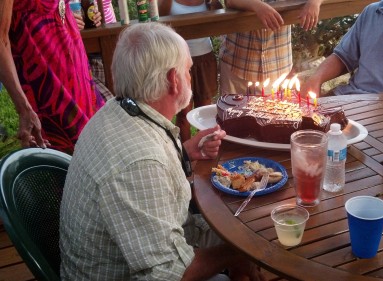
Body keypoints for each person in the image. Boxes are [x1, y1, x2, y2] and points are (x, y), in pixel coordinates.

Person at [60, 22, 266, 281]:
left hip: (148, 246)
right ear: (173, 79)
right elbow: (169, 275)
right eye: (188, 70)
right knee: (252, 240)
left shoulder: (121, 109)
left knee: (247, 226)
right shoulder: (140, 162)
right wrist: (241, 254)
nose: (190, 77)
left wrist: (186, 152)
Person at [0, 0, 105, 154]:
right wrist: (23, 108)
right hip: (48, 88)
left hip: (77, 71)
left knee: (100, 149)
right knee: (72, 163)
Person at [219, 0, 323, 95]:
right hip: (237, 62)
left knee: (272, 113)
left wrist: (314, 2)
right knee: (230, 112)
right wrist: (258, 6)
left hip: (277, 66)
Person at [158, 0, 222, 142]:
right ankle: (185, 158)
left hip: (204, 56)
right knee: (183, 113)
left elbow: (219, 18)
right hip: (179, 61)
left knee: (205, 110)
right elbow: (159, 22)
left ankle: (206, 155)